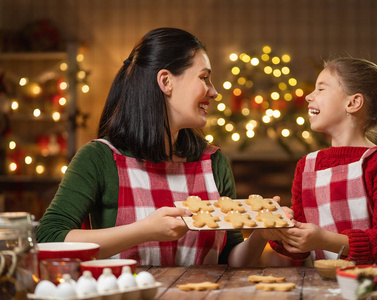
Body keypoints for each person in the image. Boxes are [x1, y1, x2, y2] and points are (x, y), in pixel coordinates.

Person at [36, 27, 271, 267]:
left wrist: (263, 233)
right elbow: (48, 238)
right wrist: (144, 231)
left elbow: (231, 260)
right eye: (203, 78)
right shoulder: (99, 158)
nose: (214, 92)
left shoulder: (213, 162)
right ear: (166, 81)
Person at [268, 56, 377, 265]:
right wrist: (278, 226)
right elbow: (299, 250)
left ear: (353, 103)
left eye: (321, 89)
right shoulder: (306, 166)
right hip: (327, 288)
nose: (308, 96)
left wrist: (323, 240)